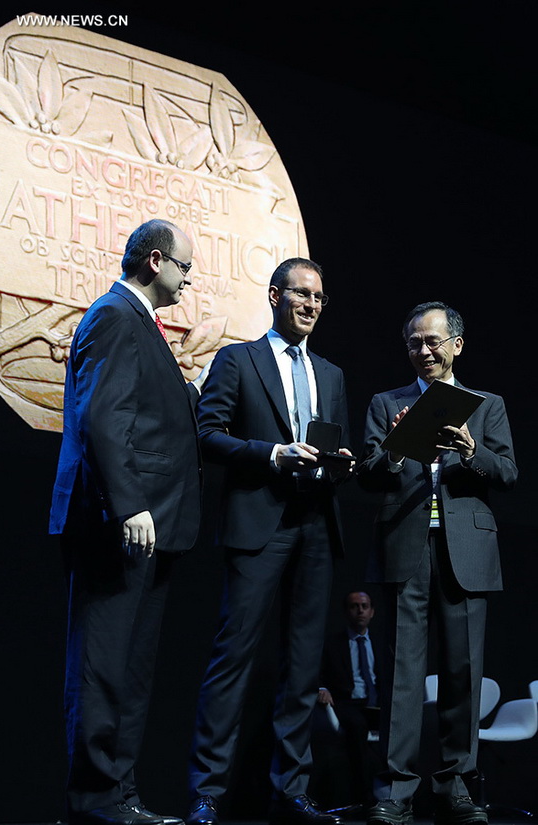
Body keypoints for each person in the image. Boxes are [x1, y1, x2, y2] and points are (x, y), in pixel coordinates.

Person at [186, 257, 354, 825]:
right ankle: (207, 792)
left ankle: (291, 790)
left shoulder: (329, 373)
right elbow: (207, 435)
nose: (310, 305)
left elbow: (335, 445)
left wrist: (341, 463)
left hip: (314, 527)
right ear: (275, 296)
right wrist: (272, 453)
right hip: (259, 524)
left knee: (304, 668)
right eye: (301, 294)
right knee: (233, 660)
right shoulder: (238, 359)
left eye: (319, 298)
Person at [49, 220, 203, 825]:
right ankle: (94, 801)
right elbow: (100, 418)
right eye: (185, 268)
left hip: (155, 527)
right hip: (122, 524)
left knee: (132, 670)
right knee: (103, 665)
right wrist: (129, 503)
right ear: (156, 260)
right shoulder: (115, 316)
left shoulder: (143, 326)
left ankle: (120, 797)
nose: (189, 279)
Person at [356, 301, 517, 825]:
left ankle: (457, 788)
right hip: (406, 547)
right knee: (401, 676)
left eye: (432, 342)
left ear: (456, 345)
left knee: (462, 674)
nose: (422, 351)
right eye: (413, 343)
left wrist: (472, 451)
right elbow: (369, 471)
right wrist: (399, 448)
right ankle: (395, 792)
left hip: (465, 551)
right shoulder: (387, 403)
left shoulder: (485, 404)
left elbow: (508, 473)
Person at [315, 591, 380, 810]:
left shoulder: (382, 643)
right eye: (354, 606)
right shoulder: (333, 643)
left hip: (377, 704)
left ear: (372, 611)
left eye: (364, 606)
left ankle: (399, 795)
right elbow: (318, 674)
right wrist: (322, 689)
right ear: (346, 612)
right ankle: (365, 797)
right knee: (357, 725)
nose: (360, 610)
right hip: (347, 703)